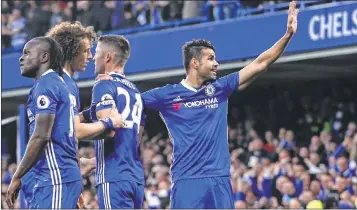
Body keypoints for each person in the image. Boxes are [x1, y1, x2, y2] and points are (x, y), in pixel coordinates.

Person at [140, 1, 299, 208]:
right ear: (195, 63)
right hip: (187, 180)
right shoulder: (167, 95)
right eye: (211, 59)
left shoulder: (220, 88)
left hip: (220, 179)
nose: (217, 64)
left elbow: (260, 63)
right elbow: (132, 103)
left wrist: (287, 36)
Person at [6, 36, 81, 208]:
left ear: (44, 57)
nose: (21, 57)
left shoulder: (46, 85)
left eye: (27, 53)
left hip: (54, 176)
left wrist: (17, 175)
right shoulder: (59, 84)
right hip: (59, 177)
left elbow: (41, 136)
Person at [91, 35, 145, 208]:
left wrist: (74, 131)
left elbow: (109, 129)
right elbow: (137, 139)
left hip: (113, 176)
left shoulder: (104, 85)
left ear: (108, 57)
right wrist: (93, 162)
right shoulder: (135, 92)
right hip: (135, 178)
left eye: (97, 52)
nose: (93, 57)